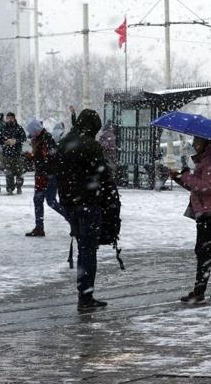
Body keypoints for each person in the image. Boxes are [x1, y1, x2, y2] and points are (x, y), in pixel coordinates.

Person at [55, 109, 120, 312]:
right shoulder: (91, 145)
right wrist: (111, 201)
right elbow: (103, 176)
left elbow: (56, 169)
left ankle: (84, 294)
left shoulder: (65, 142)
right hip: (88, 203)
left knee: (83, 243)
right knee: (88, 249)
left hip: (68, 202)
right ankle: (85, 295)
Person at [170, 136, 211, 305]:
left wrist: (186, 175)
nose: (194, 144)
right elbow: (197, 187)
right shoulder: (209, 159)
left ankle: (199, 292)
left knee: (204, 252)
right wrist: (180, 177)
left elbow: (206, 187)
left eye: (198, 141)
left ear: (207, 142)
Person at [25, 119, 62, 237]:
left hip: (48, 175)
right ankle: (39, 227)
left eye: (31, 132)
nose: (30, 136)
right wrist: (32, 157)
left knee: (51, 201)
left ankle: (73, 220)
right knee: (38, 200)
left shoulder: (46, 139)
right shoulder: (39, 139)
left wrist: (35, 159)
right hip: (42, 175)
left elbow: (49, 158)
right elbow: (41, 157)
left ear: (36, 130)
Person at [0, 112, 27, 194]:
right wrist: (4, 142)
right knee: (8, 173)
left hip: (17, 154)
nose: (9, 120)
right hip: (7, 154)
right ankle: (10, 188)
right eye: (8, 118)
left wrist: (15, 141)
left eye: (11, 118)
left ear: (14, 118)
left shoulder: (19, 128)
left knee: (19, 172)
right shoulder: (3, 128)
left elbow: (24, 138)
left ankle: (19, 186)